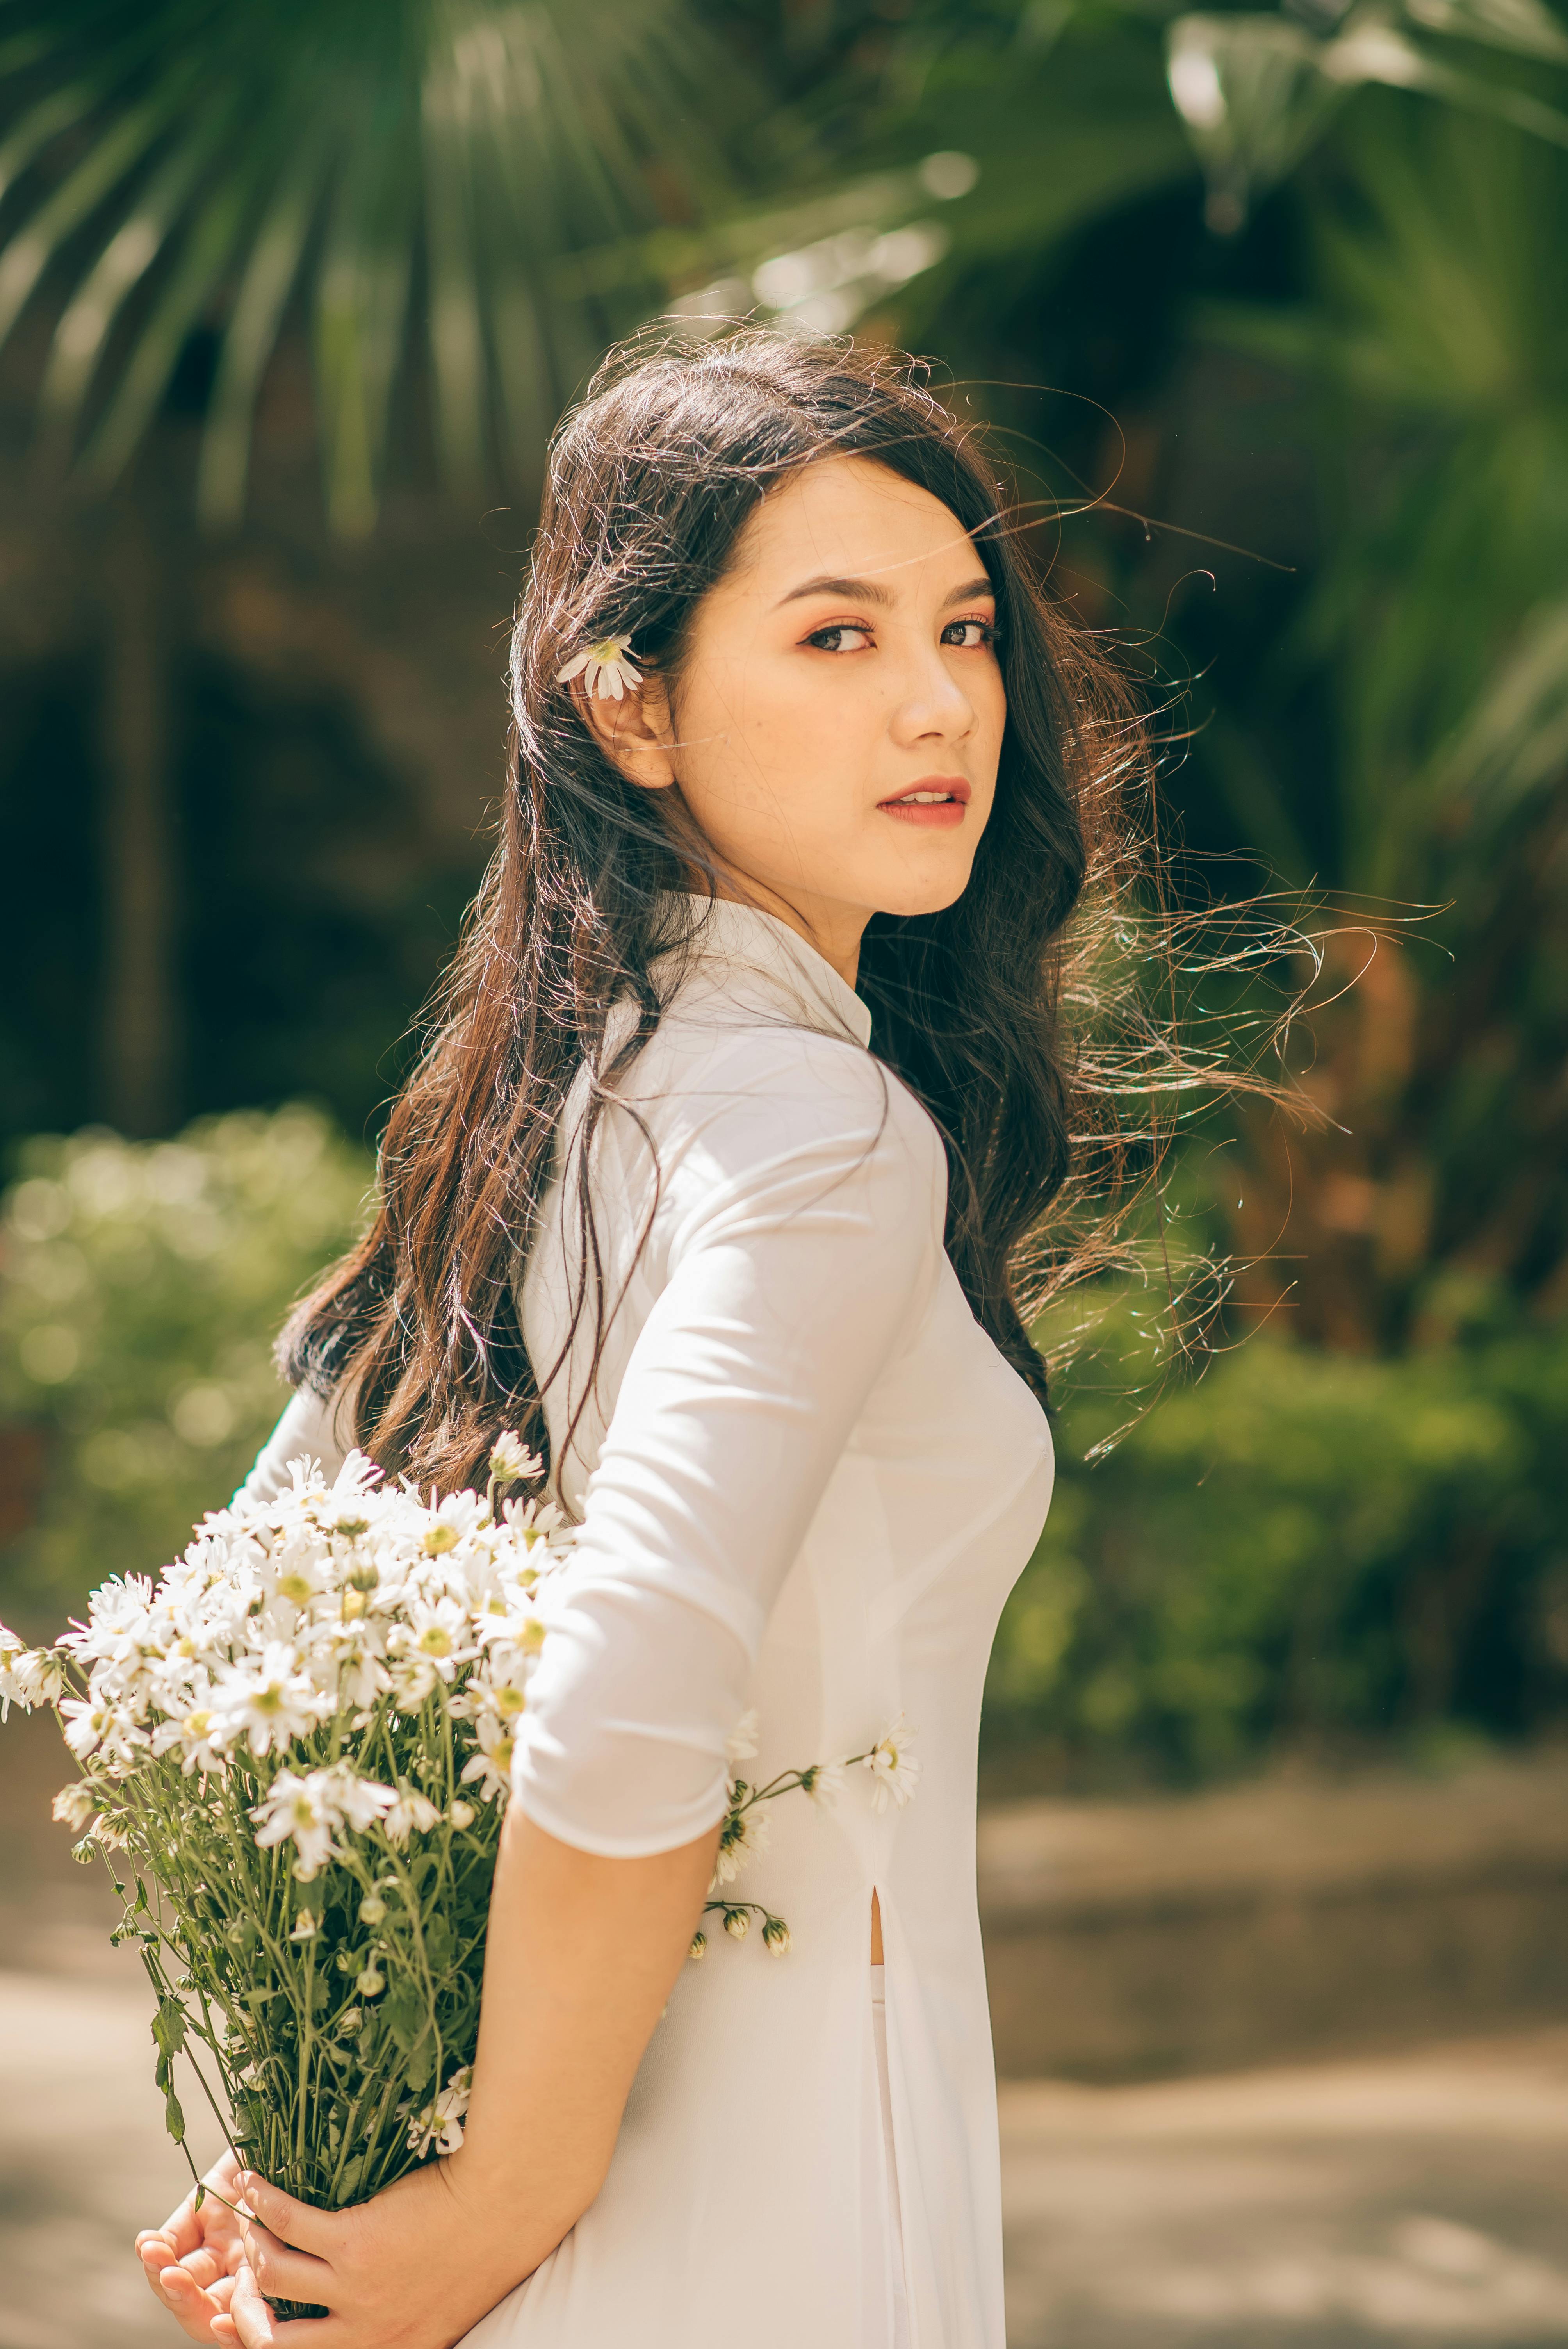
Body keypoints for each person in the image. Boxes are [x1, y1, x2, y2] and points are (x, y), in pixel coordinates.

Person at [132, 329, 1133, 2347]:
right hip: (757, 2205)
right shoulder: (825, 1135)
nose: (945, 700)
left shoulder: (548, 1110)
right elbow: (629, 1674)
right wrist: (508, 2194)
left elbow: (216, 1647)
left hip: (496, 2193)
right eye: (837, 638)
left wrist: (324, 2142)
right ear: (632, 706)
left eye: (964, 627)